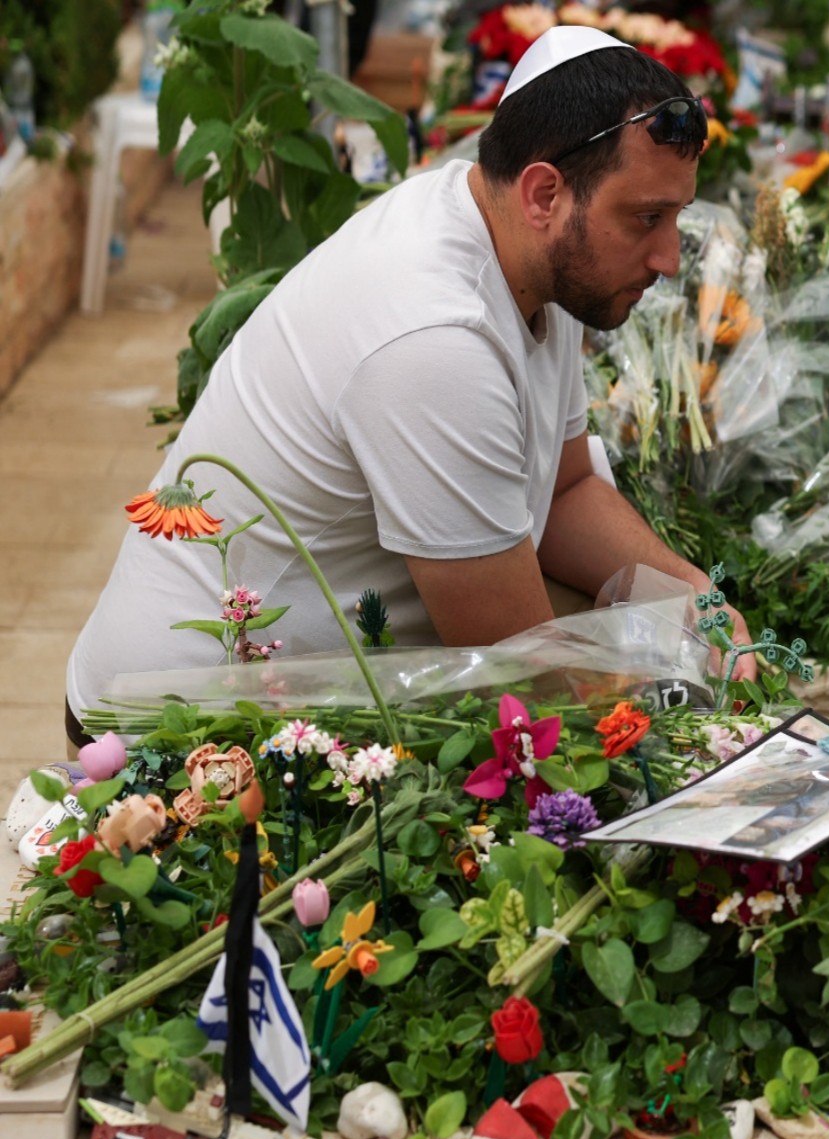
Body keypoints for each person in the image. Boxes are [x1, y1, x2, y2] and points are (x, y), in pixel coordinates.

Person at [65, 27, 751, 743]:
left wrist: (695, 599)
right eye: (646, 218)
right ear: (544, 192)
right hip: (170, 727)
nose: (669, 257)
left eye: (675, 217)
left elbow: (565, 492)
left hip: (285, 702)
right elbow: (515, 668)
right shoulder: (436, 336)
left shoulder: (520, 245)